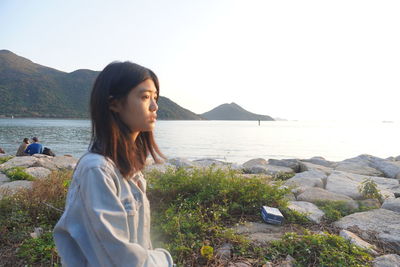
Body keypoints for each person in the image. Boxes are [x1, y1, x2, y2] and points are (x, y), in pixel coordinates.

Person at [53, 61, 173, 266]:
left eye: (155, 97)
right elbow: (119, 257)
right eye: (145, 97)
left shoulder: (129, 170)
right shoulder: (96, 170)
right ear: (114, 103)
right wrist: (164, 259)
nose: (154, 106)